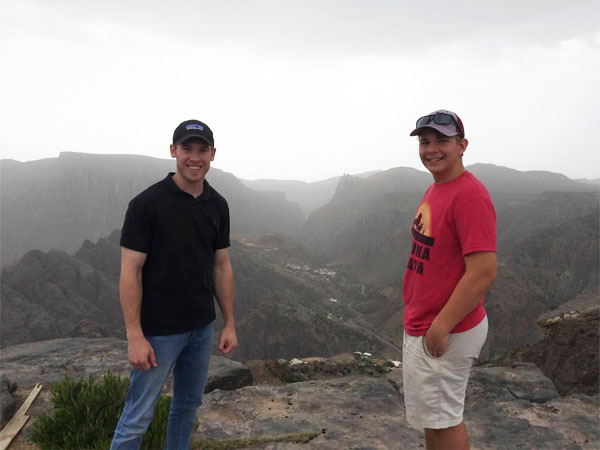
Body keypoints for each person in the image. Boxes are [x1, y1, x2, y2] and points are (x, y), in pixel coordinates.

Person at [110, 119, 237, 450]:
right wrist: (135, 336)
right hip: (159, 332)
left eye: (202, 150)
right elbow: (129, 272)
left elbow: (221, 266)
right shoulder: (147, 205)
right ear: (173, 151)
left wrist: (229, 324)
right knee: (138, 415)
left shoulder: (217, 205)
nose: (194, 158)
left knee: (187, 407)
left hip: (201, 328)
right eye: (187, 149)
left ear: (212, 154)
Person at [402, 110, 497, 450]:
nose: (432, 149)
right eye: (425, 141)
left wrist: (442, 324)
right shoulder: (438, 188)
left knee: (445, 420)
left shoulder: (469, 195)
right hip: (425, 322)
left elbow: (483, 271)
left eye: (442, 140)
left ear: (462, 145)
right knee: (434, 418)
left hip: (445, 327)